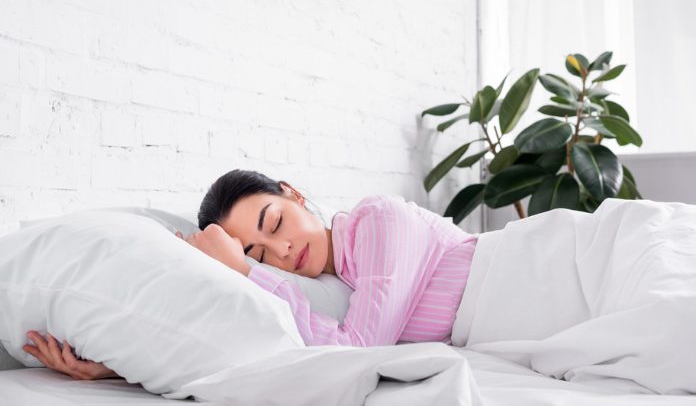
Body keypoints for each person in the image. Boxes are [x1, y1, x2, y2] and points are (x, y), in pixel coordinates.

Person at [23, 169, 478, 380]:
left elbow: (356, 352)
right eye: (261, 254)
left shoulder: (378, 221)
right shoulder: (336, 285)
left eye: (275, 222)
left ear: (294, 194)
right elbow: (269, 341)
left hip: (525, 273)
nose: (282, 251)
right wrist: (122, 364)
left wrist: (244, 268)